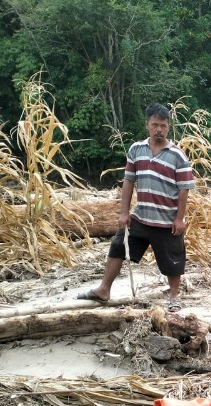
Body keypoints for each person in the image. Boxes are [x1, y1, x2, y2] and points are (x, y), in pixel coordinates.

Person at [77, 103, 195, 311]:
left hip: (166, 221)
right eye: (155, 125)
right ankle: (104, 289)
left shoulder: (178, 156)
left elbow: (184, 190)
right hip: (140, 217)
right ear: (147, 125)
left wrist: (179, 218)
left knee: (173, 258)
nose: (159, 130)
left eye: (164, 126)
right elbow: (128, 182)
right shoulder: (136, 150)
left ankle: (174, 298)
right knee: (118, 246)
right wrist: (124, 213)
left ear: (169, 127)